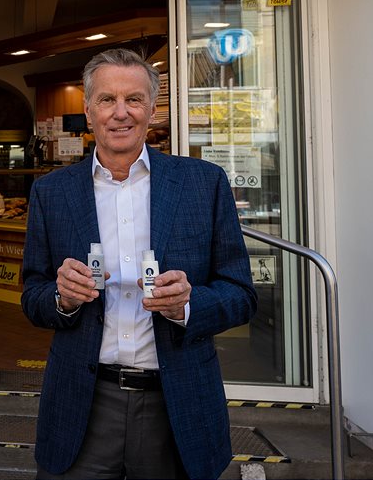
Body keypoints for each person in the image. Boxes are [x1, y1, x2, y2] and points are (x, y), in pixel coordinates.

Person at [21, 48, 257, 479]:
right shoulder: (51, 193)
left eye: (134, 99)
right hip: (82, 403)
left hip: (177, 402)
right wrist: (62, 299)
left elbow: (241, 294)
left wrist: (187, 305)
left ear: (152, 110)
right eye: (107, 100)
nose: (121, 113)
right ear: (89, 111)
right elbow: (32, 295)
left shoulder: (203, 184)